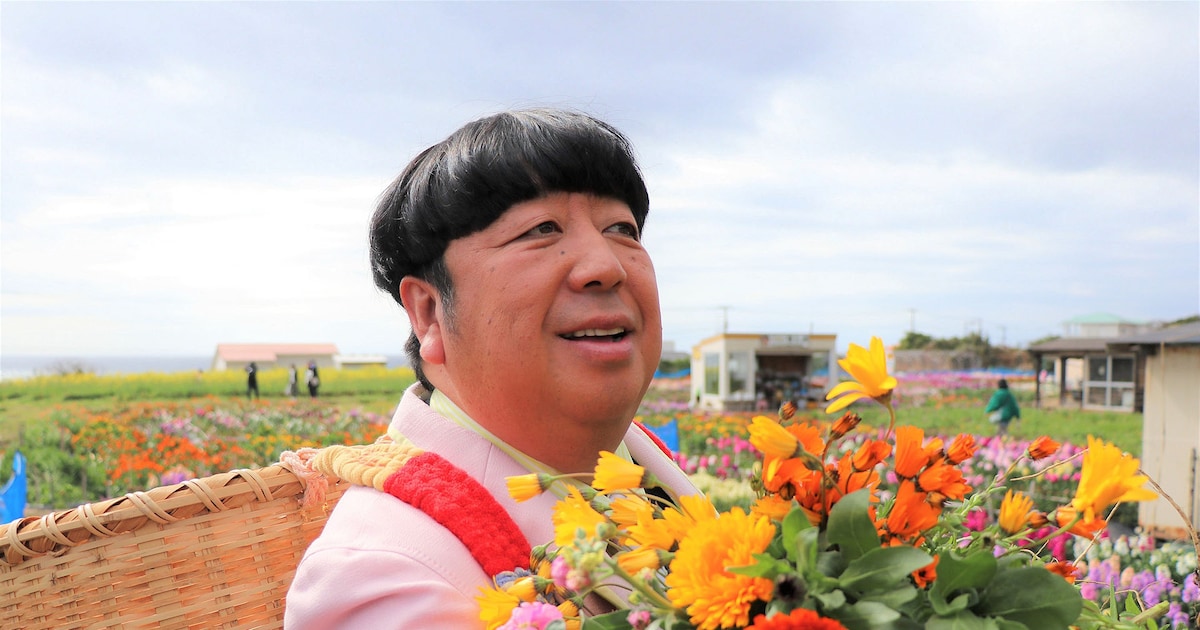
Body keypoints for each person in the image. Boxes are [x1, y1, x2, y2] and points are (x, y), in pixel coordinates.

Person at [284, 108, 700, 627]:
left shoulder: (639, 464)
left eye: (622, 228)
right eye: (540, 230)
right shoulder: (384, 577)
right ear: (430, 314)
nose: (605, 265)